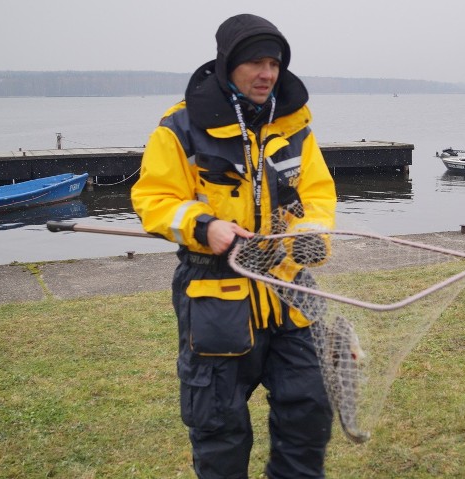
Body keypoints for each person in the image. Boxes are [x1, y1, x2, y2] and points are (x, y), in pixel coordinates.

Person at [131, 13, 337, 479]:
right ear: (228, 65)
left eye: (274, 63)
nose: (267, 74)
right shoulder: (179, 127)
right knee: (218, 426)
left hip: (288, 290)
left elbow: (319, 193)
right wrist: (204, 226)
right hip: (215, 295)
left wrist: (312, 235)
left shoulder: (295, 125)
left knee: (308, 411)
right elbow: (153, 199)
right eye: (255, 63)